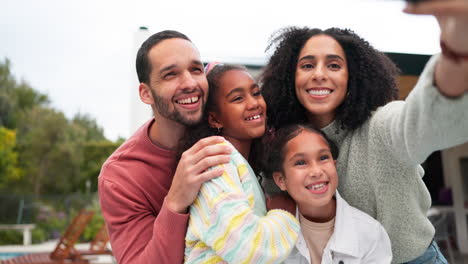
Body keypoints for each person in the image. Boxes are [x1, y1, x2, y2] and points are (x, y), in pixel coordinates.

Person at [260, 1, 468, 263]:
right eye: (307, 65)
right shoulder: (282, 145)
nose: (320, 75)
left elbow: (428, 121)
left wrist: (457, 50)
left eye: (334, 65)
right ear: (291, 78)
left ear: (352, 78)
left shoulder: (380, 127)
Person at [98, 30, 232, 264]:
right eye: (171, 75)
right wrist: (175, 201)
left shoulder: (227, 126)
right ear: (146, 93)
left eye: (196, 69)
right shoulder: (120, 177)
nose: (190, 83)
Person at [179, 63, 299, 264]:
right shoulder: (215, 164)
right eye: (238, 98)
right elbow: (248, 249)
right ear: (215, 119)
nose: (253, 103)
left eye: (256, 93)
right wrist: (284, 212)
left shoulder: (240, 162)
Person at [263, 123, 392, 264]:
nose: (316, 171)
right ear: (281, 180)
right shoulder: (271, 234)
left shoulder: (370, 233)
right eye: (301, 162)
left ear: (334, 165)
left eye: (323, 158)